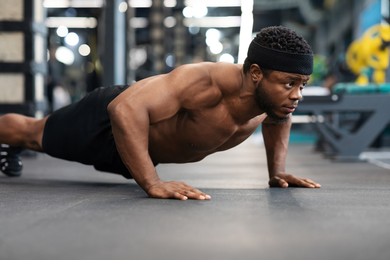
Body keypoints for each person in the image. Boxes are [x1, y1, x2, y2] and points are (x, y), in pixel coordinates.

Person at [0, 26, 321, 200]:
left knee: (37, 140)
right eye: (289, 83)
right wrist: (152, 183)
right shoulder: (205, 82)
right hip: (109, 121)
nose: (297, 95)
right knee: (32, 134)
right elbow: (124, 109)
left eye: (302, 85)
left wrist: (276, 172)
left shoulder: (273, 101)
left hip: (139, 149)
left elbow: (280, 118)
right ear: (255, 73)